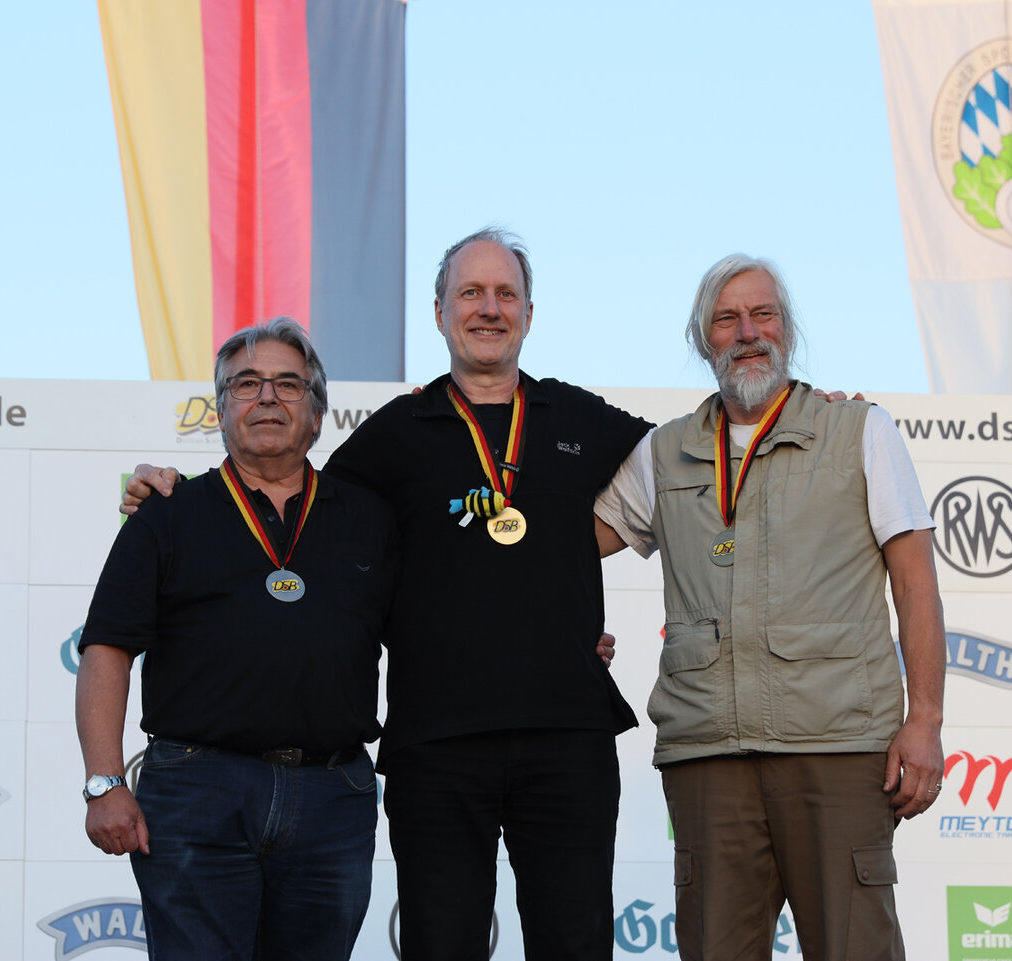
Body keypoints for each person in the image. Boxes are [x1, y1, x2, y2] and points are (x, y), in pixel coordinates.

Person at [123, 228, 651, 961]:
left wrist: (563, 585)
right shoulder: (395, 432)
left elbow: (689, 472)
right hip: (435, 745)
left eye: (506, 294)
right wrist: (169, 488)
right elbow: (290, 508)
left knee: (576, 943)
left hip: (567, 735)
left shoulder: (579, 417)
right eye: (470, 292)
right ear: (439, 312)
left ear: (530, 313)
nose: (489, 308)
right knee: (441, 946)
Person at [594, 254, 946, 961]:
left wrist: (926, 721)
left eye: (764, 315)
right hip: (709, 756)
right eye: (727, 319)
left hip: (840, 749)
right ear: (704, 340)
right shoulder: (664, 452)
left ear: (788, 329)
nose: (748, 332)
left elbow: (915, 585)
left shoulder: (859, 430)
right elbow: (562, 552)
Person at [76, 318, 396, 961]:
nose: (267, 397)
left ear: (317, 413)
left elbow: (441, 624)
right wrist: (104, 782)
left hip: (332, 794)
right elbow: (106, 649)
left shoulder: (371, 518)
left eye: (288, 384)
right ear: (220, 412)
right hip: (197, 790)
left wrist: (567, 638)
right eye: (246, 384)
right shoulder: (167, 512)